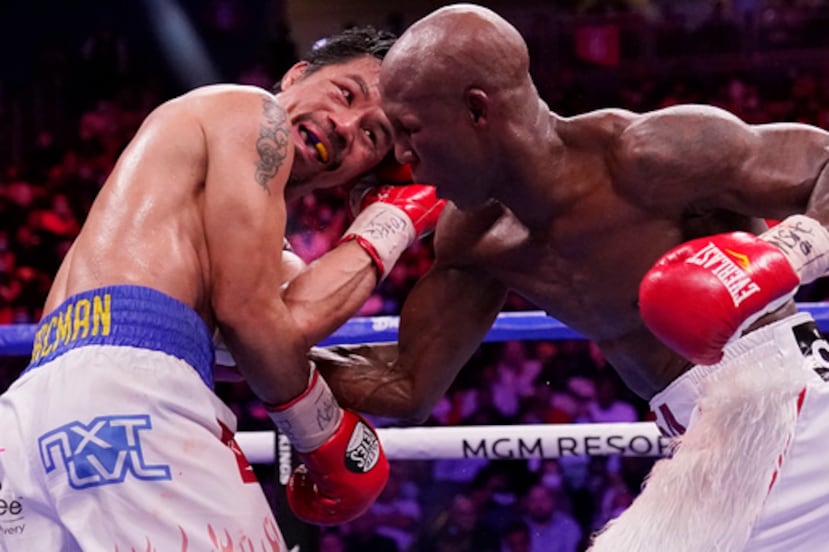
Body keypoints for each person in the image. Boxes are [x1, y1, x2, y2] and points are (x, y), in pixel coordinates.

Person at [310, 4, 829, 551]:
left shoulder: (649, 156)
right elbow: (407, 383)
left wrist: (785, 255)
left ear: (477, 110)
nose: (401, 154)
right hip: (710, 443)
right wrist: (266, 362)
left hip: (785, 404)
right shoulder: (476, 238)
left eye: (411, 130)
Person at [0, 26, 445, 551]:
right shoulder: (253, 111)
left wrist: (390, 220)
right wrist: (397, 219)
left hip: (34, 418)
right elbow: (258, 327)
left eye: (373, 136)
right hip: (130, 400)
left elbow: (288, 329)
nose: (346, 126)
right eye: (345, 93)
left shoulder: (246, 237)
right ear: (296, 75)